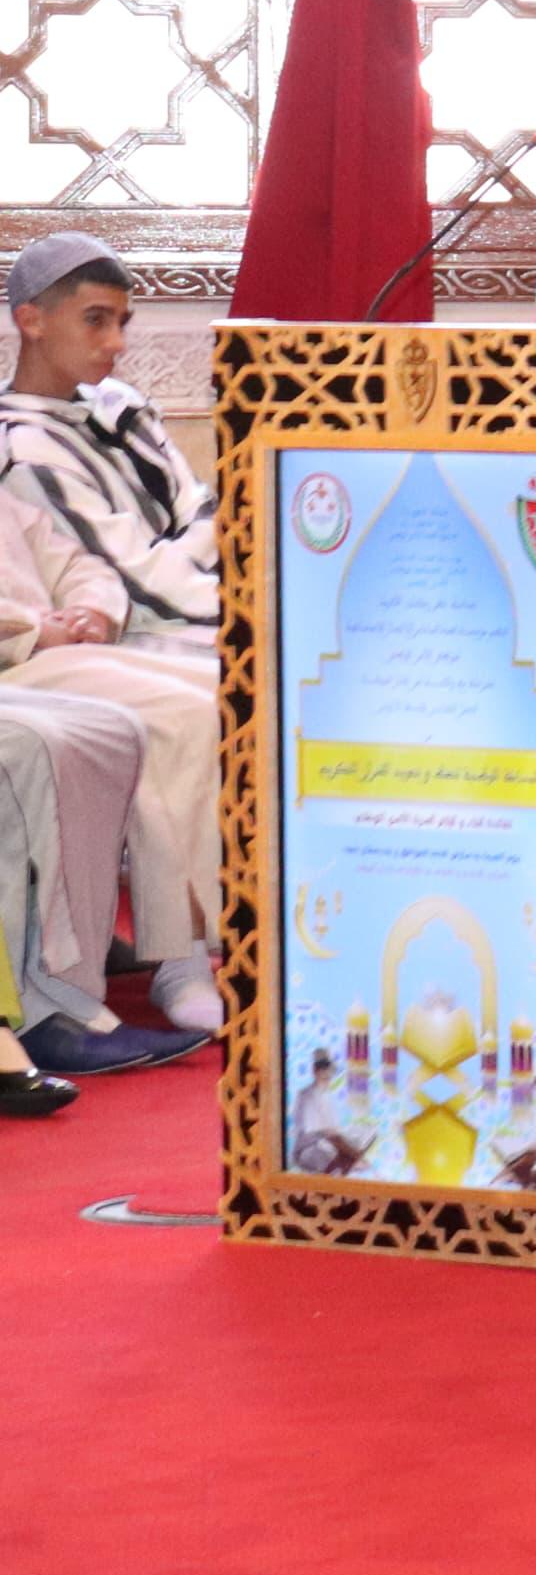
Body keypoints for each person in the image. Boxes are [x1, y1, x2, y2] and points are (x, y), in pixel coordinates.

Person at [0, 232, 233, 1047]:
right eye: (96, 320)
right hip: (46, 656)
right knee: (192, 711)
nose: (116, 343)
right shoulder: (19, 444)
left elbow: (100, 562)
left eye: (123, 321)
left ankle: (255, 932)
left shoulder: (121, 409)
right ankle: (183, 957)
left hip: (102, 634)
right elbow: (147, 573)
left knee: (237, 690)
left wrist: (93, 605)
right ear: (31, 320)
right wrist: (42, 626)